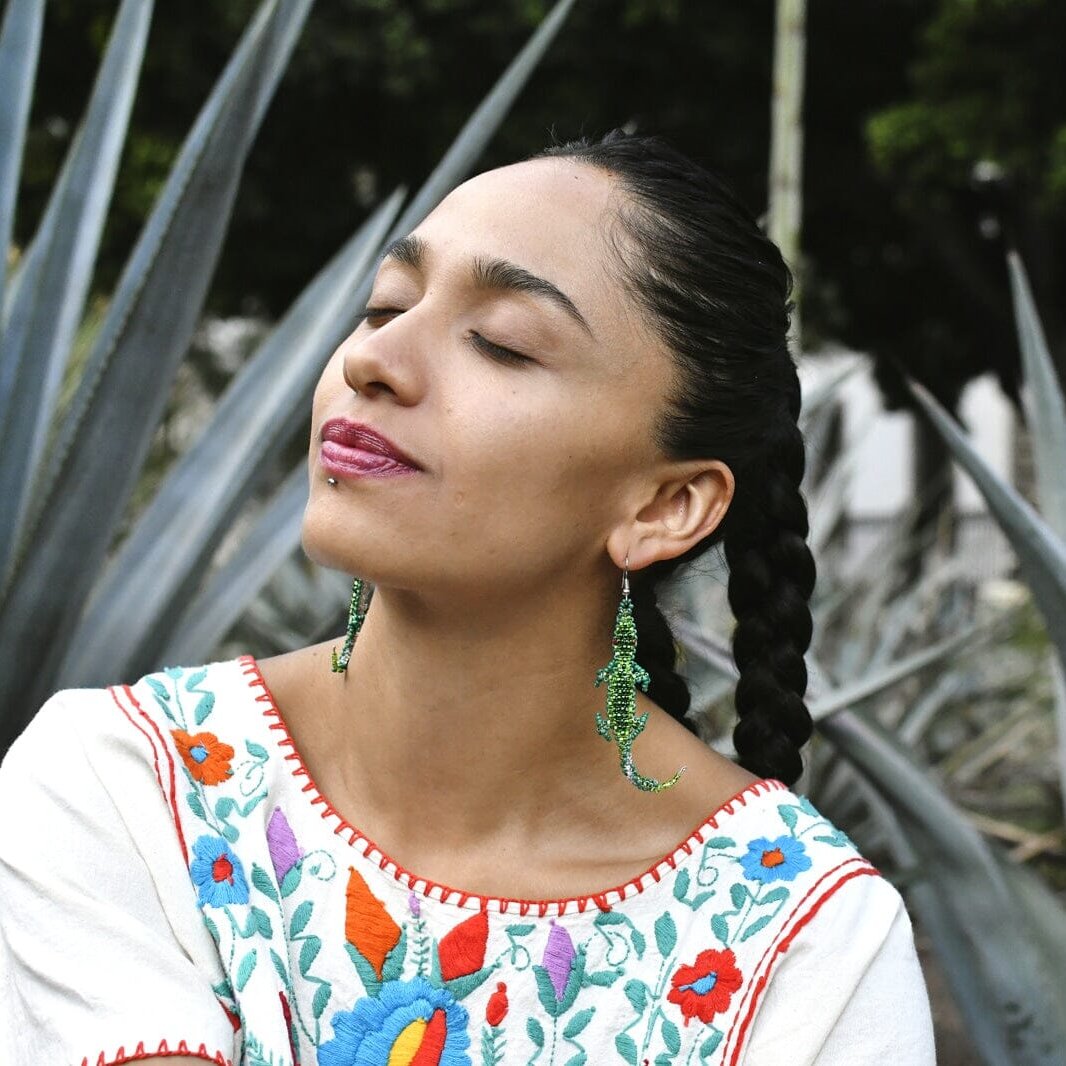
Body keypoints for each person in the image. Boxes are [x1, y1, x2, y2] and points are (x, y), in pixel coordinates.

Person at [0, 130, 936, 1065]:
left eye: (501, 343)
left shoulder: (808, 946)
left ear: (665, 505)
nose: (374, 359)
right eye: (385, 304)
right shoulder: (127, 790)